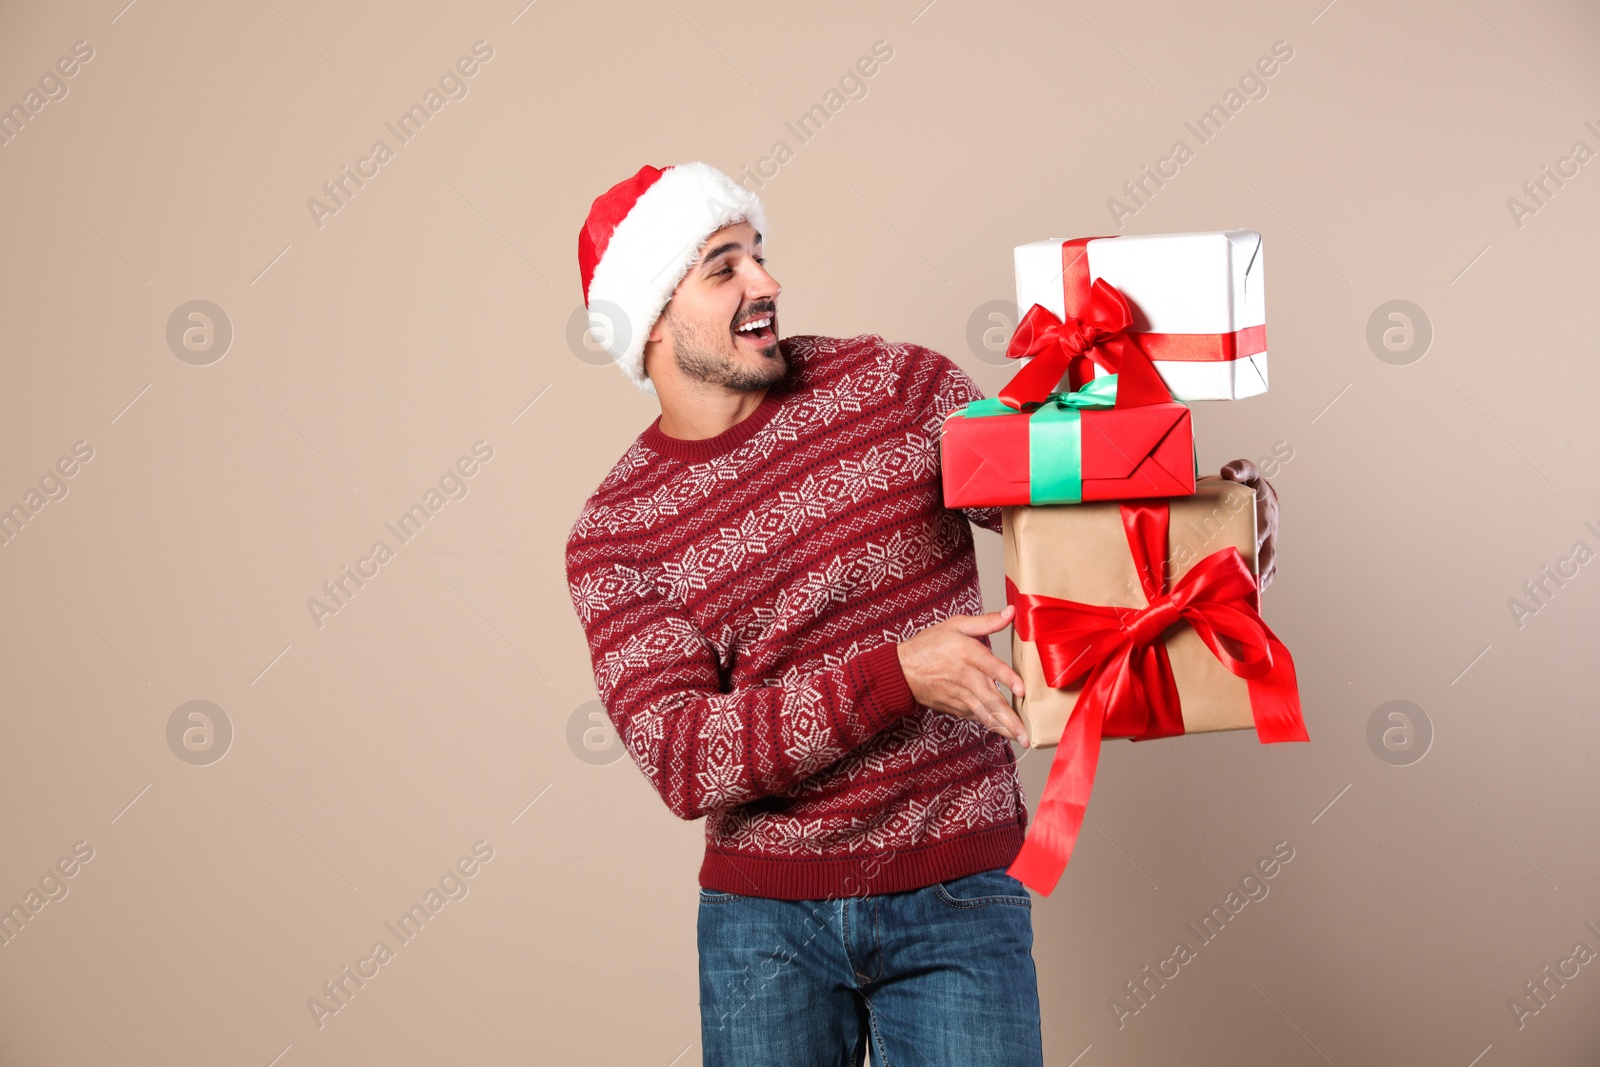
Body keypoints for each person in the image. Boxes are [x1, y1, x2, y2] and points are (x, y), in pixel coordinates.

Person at [564, 161, 1280, 1066]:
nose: (767, 283)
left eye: (760, 254)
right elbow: (686, 758)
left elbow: (1056, 522)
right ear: (652, 323)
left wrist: (1213, 529)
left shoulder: (894, 387)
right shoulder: (617, 532)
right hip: (763, 926)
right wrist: (898, 676)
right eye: (724, 267)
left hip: (958, 894)